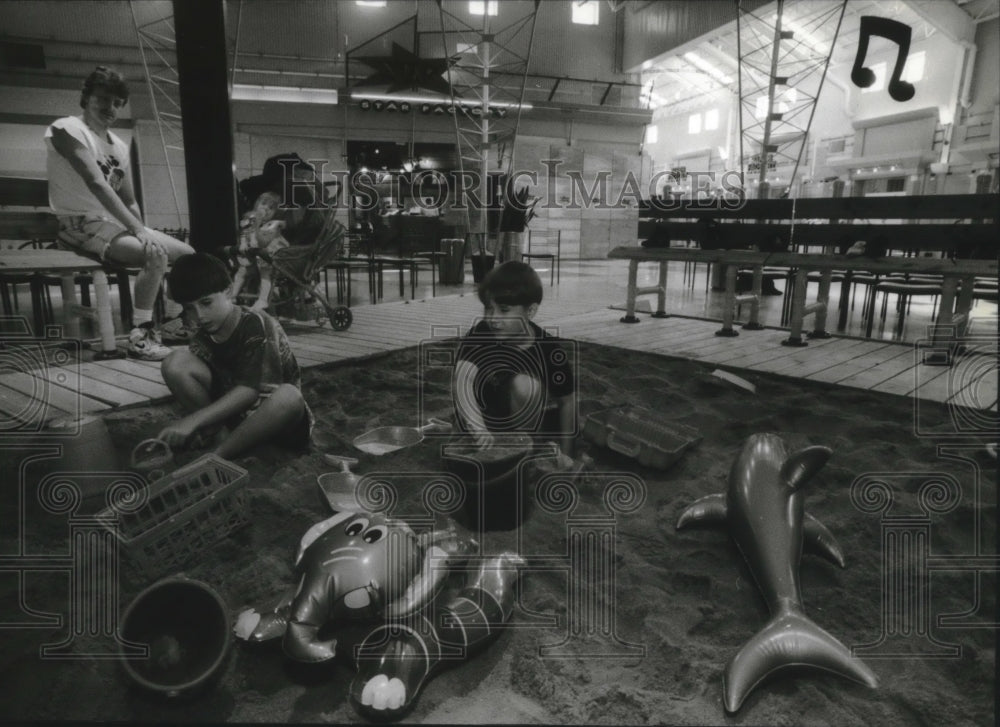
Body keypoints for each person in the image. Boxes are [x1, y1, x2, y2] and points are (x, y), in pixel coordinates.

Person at [45, 65, 195, 360]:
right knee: (156, 255)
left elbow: (128, 200)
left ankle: (173, 323)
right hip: (79, 225)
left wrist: (142, 229)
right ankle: (140, 337)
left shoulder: (119, 146)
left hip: (113, 226)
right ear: (86, 97)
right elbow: (97, 183)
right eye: (103, 99)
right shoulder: (66, 129)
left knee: (189, 255)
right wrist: (140, 233)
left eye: (117, 103)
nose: (110, 107)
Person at [158, 253, 312, 460]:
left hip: (275, 422)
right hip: (234, 418)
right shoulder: (203, 334)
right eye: (189, 308)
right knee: (174, 363)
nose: (199, 316)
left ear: (229, 291)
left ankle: (218, 455)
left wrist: (194, 420)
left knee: (289, 396)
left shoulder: (255, 324)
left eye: (206, 303)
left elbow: (249, 391)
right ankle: (221, 436)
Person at [452, 260, 576, 456]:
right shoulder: (482, 333)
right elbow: (462, 377)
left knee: (527, 386)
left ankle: (522, 448)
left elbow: (567, 401)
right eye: (488, 309)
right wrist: (477, 425)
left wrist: (568, 454)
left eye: (504, 310)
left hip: (521, 423)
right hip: (477, 417)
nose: (493, 319)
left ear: (531, 311)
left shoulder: (550, 350)